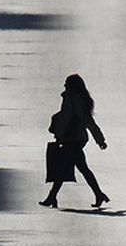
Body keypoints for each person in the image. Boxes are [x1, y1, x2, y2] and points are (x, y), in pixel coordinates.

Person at [40, 74, 109, 208]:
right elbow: (88, 121)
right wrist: (99, 139)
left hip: (72, 139)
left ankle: (52, 197)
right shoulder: (80, 99)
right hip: (77, 138)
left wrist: (58, 135)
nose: (64, 85)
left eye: (66, 83)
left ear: (71, 85)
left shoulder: (71, 98)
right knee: (80, 168)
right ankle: (98, 194)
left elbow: (66, 118)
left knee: (65, 168)